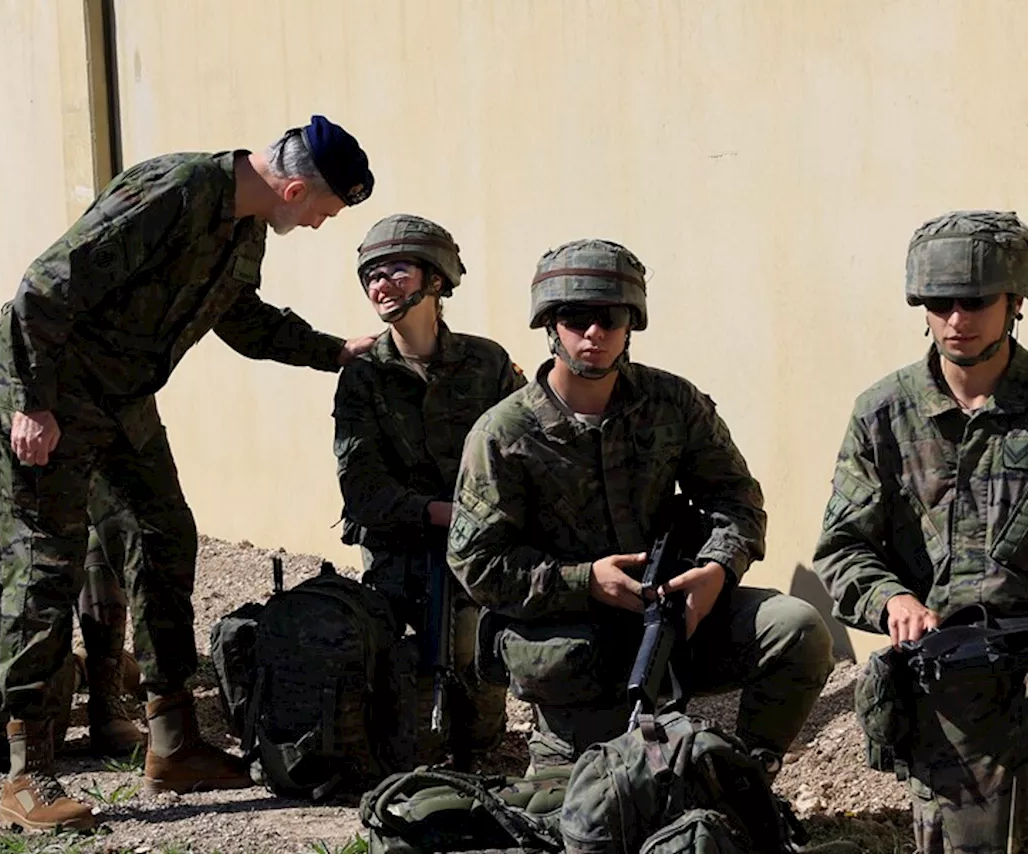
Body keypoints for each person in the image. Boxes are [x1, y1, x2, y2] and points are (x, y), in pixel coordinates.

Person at [0, 115, 376, 832]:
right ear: (291, 188)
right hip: (51, 394)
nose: (319, 225)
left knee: (166, 535)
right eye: (323, 211)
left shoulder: (245, 223)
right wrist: (31, 405)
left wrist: (333, 351)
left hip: (121, 400)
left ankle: (172, 739)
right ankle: (26, 774)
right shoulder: (177, 190)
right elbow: (43, 288)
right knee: (44, 566)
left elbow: (241, 318)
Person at [447, 238, 833, 774]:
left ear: (631, 325)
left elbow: (736, 498)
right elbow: (479, 565)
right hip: (575, 649)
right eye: (576, 317)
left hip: (675, 617)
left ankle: (747, 775)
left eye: (611, 317)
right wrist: (586, 581)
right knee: (591, 809)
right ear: (549, 326)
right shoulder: (504, 434)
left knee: (797, 628)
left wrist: (717, 569)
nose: (594, 333)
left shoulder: (672, 403)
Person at [814, 210, 1028, 853]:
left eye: (974, 300)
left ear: (1014, 302)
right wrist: (893, 600)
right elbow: (843, 546)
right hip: (953, 682)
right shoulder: (884, 414)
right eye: (939, 303)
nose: (956, 319)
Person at [333, 213, 523, 768]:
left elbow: (524, 454)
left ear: (435, 281)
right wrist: (440, 513)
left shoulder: (486, 362)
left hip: (480, 546)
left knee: (481, 695)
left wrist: (486, 522)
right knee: (412, 708)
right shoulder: (364, 375)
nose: (381, 285)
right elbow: (363, 491)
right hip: (402, 548)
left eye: (396, 270)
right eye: (371, 275)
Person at [0, 418, 144, 756]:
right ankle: (69, 678)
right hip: (12, 576)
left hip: (73, 564)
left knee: (96, 546)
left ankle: (106, 699)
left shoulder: (97, 417)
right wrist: (2, 544)